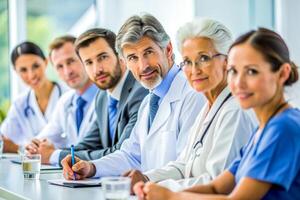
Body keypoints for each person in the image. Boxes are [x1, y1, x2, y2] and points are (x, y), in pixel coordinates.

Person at [134, 28, 300, 200]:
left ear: (282, 73)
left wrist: (170, 196)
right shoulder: (264, 129)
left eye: (251, 71)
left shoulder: (284, 128)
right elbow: (216, 187)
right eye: (234, 71)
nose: (239, 82)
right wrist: (156, 189)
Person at [61, 14, 205, 180]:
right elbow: (131, 156)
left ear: (168, 49)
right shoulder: (149, 102)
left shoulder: (192, 94)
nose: (143, 66)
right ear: (125, 62)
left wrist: (146, 179)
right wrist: (91, 167)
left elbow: (186, 165)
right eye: (133, 58)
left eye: (148, 52)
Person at [129, 18, 257, 191]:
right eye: (188, 61)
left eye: (203, 58)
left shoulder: (235, 111)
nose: (194, 70)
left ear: (227, 60)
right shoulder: (209, 106)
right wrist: (146, 179)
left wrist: (161, 189)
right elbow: (184, 166)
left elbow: (217, 184)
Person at [42, 28, 148, 165]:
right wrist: (58, 155)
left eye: (103, 57)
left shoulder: (139, 91)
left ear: (121, 57)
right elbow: (88, 144)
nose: (97, 70)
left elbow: (120, 153)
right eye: (89, 62)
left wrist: (55, 156)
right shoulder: (103, 97)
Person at [26, 36, 98, 164]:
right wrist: (34, 146)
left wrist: (52, 154)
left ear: (84, 59)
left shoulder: (106, 97)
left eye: (71, 61)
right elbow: (48, 135)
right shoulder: (65, 101)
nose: (67, 71)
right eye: (59, 66)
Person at [0, 41, 67, 153]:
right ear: (16, 71)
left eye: (35, 66)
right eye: (23, 70)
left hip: (64, 165)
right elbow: (3, 139)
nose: (31, 75)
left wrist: (18, 148)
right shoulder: (20, 104)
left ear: (45, 62)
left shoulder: (67, 95)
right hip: (34, 167)